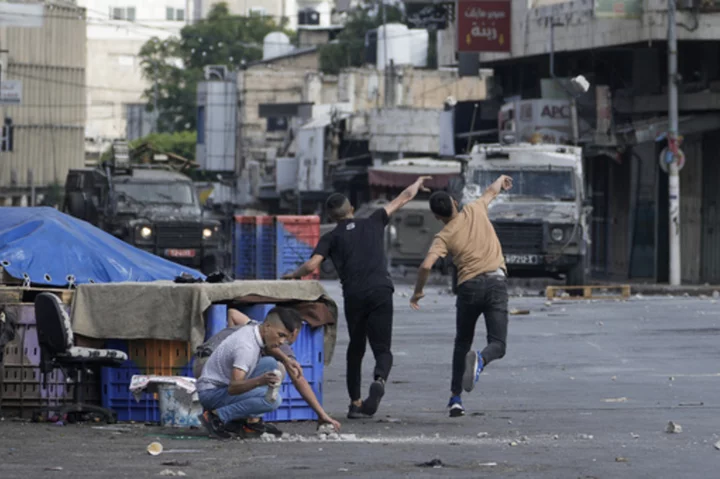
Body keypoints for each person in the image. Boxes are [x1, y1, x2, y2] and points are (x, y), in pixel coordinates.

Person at [282, 176, 432, 419]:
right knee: (382, 348)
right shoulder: (373, 221)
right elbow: (403, 198)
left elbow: (311, 266)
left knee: (356, 348)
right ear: (351, 209)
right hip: (381, 290)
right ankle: (380, 380)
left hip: (355, 295)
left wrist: (293, 275)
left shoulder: (330, 237)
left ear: (331, 217)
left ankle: (355, 403)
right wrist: (417, 182)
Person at [410, 175, 513, 418]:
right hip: (496, 283)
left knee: (461, 343)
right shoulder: (476, 209)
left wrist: (418, 292)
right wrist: (500, 180)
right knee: (498, 345)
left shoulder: (443, 236)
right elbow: (491, 190)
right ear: (455, 203)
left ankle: (456, 399)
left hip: (468, 288)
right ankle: (481, 359)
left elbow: (426, 266)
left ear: (437, 217)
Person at [193, 308, 341, 435]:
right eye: (281, 336)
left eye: (287, 339)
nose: (283, 342)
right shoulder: (247, 348)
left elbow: (232, 313)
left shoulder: (256, 328)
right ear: (268, 326)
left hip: (213, 371)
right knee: (271, 400)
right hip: (211, 389)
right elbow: (233, 387)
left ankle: (248, 421)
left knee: (271, 364)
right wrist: (260, 380)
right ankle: (216, 417)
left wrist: (321, 415)